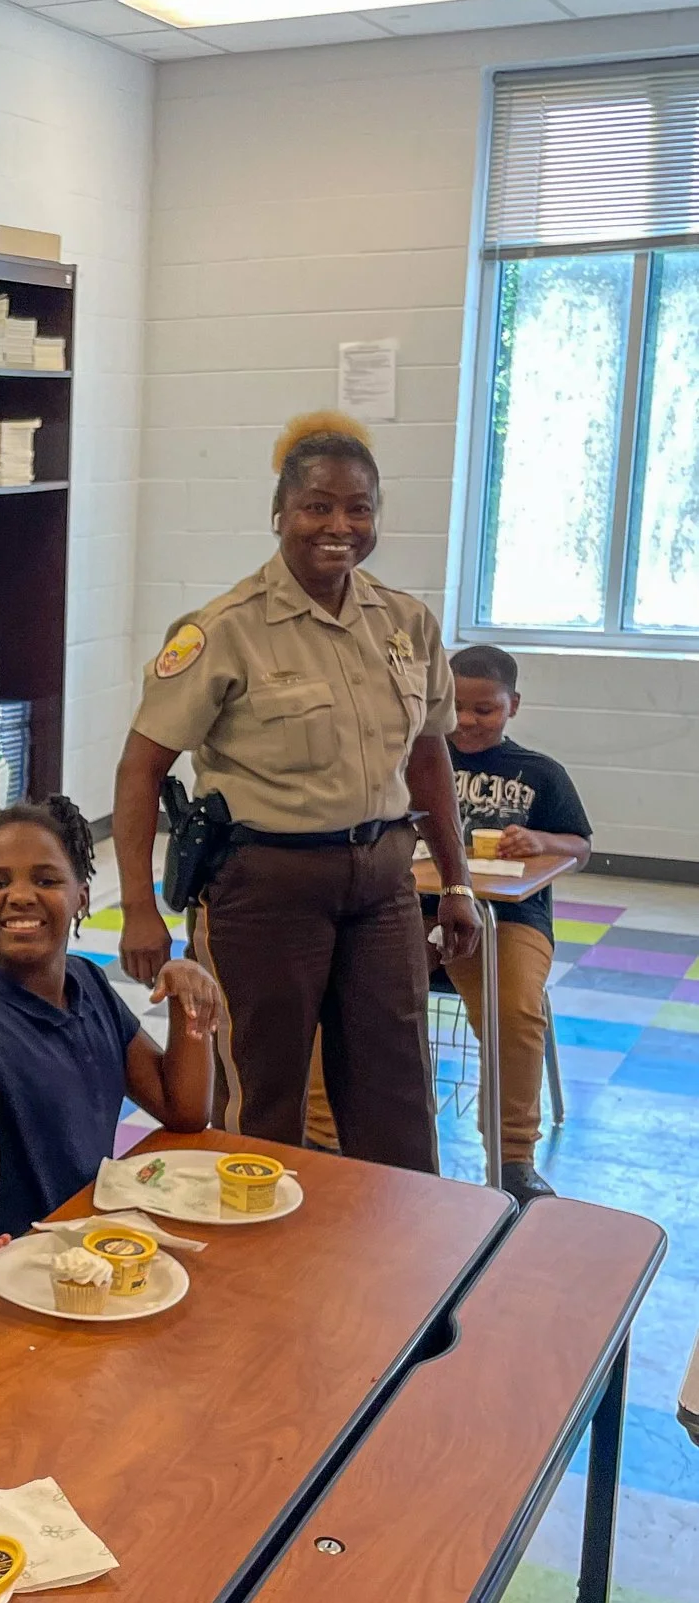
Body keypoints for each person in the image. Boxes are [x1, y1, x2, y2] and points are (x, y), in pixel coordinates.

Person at [113, 411, 478, 1173]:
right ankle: (259, 1273)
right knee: (262, 1097)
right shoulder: (224, 630)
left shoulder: (407, 623)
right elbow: (140, 769)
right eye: (317, 505)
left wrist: (458, 883)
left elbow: (428, 759)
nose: (337, 525)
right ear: (280, 513)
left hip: (382, 885)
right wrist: (141, 909)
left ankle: (404, 1268)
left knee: (397, 1091)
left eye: (358, 507)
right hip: (263, 891)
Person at [0, 796, 219, 1241]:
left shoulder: (88, 982)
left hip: (85, 1240)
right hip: (6, 1263)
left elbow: (182, 1109)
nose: (21, 897)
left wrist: (188, 994)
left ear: (81, 898)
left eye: (47, 879)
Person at [433, 644, 592, 1201]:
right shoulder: (411, 761)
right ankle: (331, 1137)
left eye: (486, 710)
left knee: (515, 1011)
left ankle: (513, 1158)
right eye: (456, 707)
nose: (468, 721)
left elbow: (581, 846)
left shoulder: (540, 773)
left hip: (509, 917)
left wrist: (540, 841)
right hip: (414, 910)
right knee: (343, 984)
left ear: (513, 706)